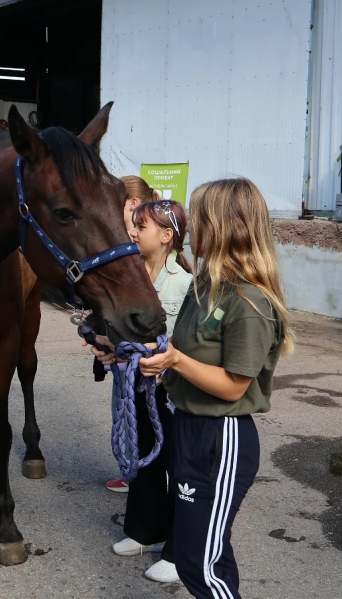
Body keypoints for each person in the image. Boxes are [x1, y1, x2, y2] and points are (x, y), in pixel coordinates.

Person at [94, 177, 292, 599]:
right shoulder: (205, 285)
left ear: (224, 226)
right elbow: (174, 349)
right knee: (193, 556)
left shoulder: (249, 302)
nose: (190, 228)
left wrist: (176, 361)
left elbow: (234, 386)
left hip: (221, 437)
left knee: (202, 563)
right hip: (187, 427)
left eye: (199, 219)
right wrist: (127, 353)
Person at [110, 201, 192, 585]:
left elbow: (190, 341)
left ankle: (180, 551)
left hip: (172, 388)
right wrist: (108, 345)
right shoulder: (133, 276)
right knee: (144, 458)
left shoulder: (185, 283)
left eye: (141, 226)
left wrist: (167, 357)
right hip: (138, 383)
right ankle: (147, 532)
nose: (133, 232)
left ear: (166, 235)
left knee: (179, 468)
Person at [106, 175, 161, 494]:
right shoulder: (129, 252)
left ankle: (143, 475)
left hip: (149, 366)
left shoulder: (143, 261)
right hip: (126, 360)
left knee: (141, 415)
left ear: (132, 204)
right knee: (123, 412)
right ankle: (132, 470)